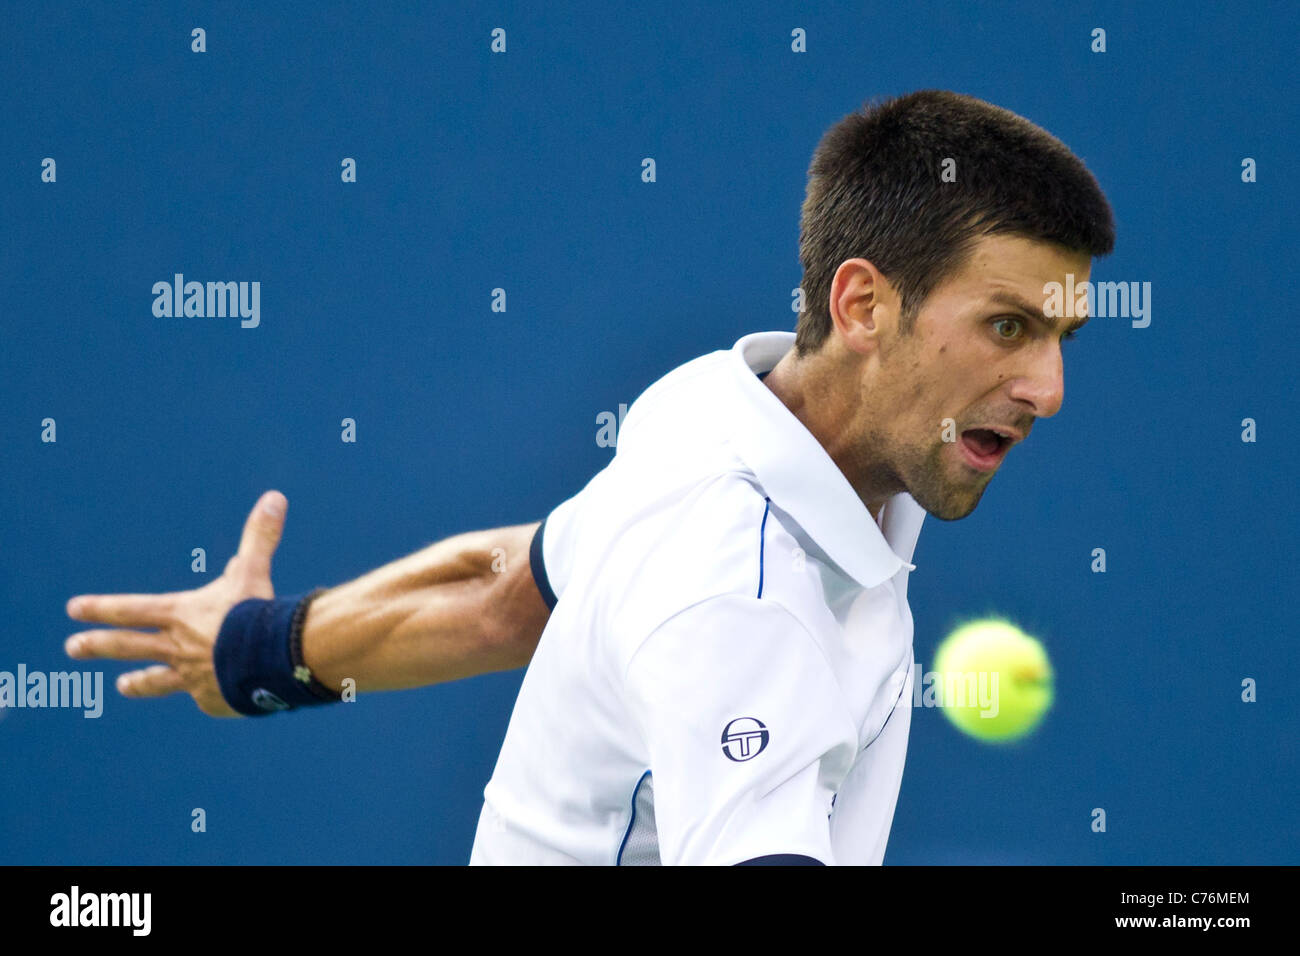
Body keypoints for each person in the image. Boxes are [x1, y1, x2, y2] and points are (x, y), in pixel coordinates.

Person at [65, 89, 1115, 864]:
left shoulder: (716, 413)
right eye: (1006, 327)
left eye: (1060, 333)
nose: (1048, 387)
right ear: (860, 305)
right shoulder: (745, 597)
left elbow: (509, 593)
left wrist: (258, 651)